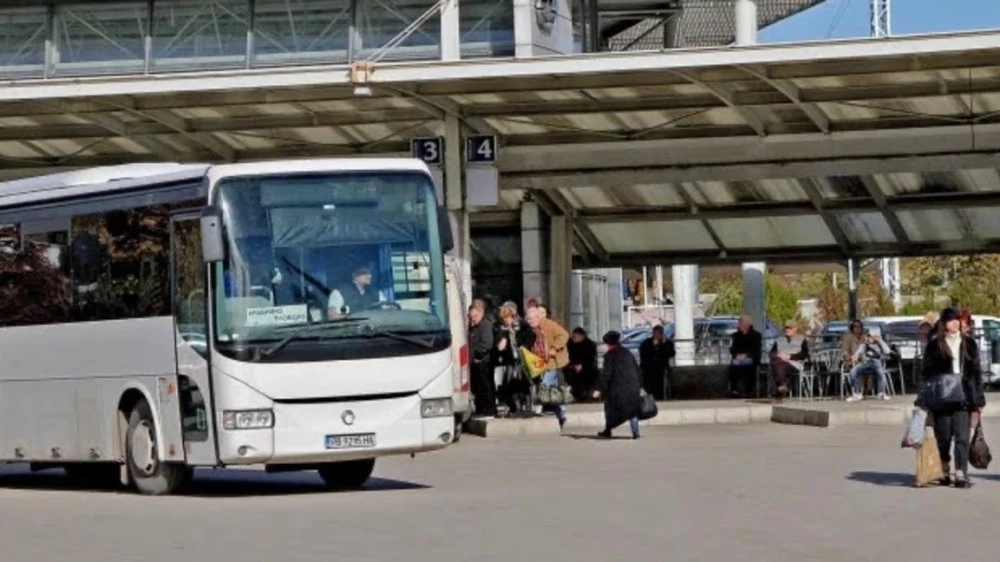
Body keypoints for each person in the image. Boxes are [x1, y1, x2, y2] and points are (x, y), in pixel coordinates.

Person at [921, 307, 985, 488]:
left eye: (957, 319)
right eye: (951, 320)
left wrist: (978, 399)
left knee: (962, 437)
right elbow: (926, 373)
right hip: (942, 397)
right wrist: (924, 398)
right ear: (944, 324)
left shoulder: (969, 343)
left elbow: (977, 373)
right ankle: (944, 466)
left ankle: (961, 472)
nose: (955, 323)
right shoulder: (935, 345)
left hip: (965, 395)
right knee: (944, 437)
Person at [523, 306, 569, 428]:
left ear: (538, 317)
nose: (529, 322)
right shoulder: (533, 329)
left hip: (553, 362)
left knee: (545, 386)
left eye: (531, 319)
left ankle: (539, 408)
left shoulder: (548, 324)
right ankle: (561, 414)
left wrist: (554, 347)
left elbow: (564, 335)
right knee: (552, 391)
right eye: (527, 319)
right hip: (542, 362)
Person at [596, 331, 642, 439]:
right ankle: (635, 431)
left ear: (608, 343)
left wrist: (600, 389)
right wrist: (640, 385)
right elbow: (637, 370)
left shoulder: (609, 356)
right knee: (632, 410)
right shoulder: (627, 353)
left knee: (610, 408)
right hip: (632, 386)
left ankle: (608, 430)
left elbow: (606, 374)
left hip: (618, 389)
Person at [494, 301, 530, 416]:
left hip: (523, 360)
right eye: (504, 318)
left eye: (507, 317)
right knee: (510, 384)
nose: (506, 320)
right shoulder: (504, 329)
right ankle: (516, 407)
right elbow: (501, 347)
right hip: (511, 360)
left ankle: (526, 407)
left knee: (523, 383)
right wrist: (504, 336)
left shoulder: (522, 326)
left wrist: (515, 333)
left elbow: (527, 340)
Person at [845, 328, 891, 402]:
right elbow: (857, 353)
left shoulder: (880, 344)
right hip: (866, 364)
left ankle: (881, 393)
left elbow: (888, 351)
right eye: (868, 336)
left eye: (871, 336)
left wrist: (880, 340)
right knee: (853, 371)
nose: (869, 338)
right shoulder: (864, 344)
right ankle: (857, 393)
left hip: (877, 363)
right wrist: (855, 356)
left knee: (880, 371)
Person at [468, 299, 497, 417]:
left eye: (475, 316)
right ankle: (481, 408)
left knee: (486, 386)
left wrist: (475, 353)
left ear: (481, 313)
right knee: (478, 387)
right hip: (476, 361)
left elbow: (486, 344)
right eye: (471, 316)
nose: (473, 318)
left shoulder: (485, 324)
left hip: (483, 361)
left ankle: (489, 408)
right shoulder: (474, 326)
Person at [769, 320, 809, 403]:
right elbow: (771, 353)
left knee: (775, 365)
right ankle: (783, 385)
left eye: (790, 328)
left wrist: (790, 357)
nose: (787, 330)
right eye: (786, 328)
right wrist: (779, 355)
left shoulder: (802, 339)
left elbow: (805, 354)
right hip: (780, 362)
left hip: (795, 363)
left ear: (795, 329)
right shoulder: (779, 340)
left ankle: (778, 393)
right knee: (776, 363)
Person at [728, 314, 762, 398]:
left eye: (742, 323)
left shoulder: (756, 335)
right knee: (733, 366)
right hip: (738, 358)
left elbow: (756, 349)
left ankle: (749, 390)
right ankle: (733, 390)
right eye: (740, 322)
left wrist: (746, 355)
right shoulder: (735, 336)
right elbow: (732, 348)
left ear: (748, 324)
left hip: (751, 358)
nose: (740, 325)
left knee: (750, 367)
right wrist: (736, 355)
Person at [639, 325, 675, 400]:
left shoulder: (667, 343)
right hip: (648, 368)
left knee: (661, 379)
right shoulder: (647, 343)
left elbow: (671, 353)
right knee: (648, 380)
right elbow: (644, 355)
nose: (656, 336)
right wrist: (654, 348)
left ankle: (660, 396)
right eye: (655, 334)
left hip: (661, 367)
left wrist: (663, 345)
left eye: (658, 334)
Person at [566, 327, 598, 401]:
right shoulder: (570, 344)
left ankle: (585, 394)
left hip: (587, 369)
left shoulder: (590, 345)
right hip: (572, 368)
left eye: (575, 336)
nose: (573, 338)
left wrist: (582, 365)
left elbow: (591, 359)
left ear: (582, 336)